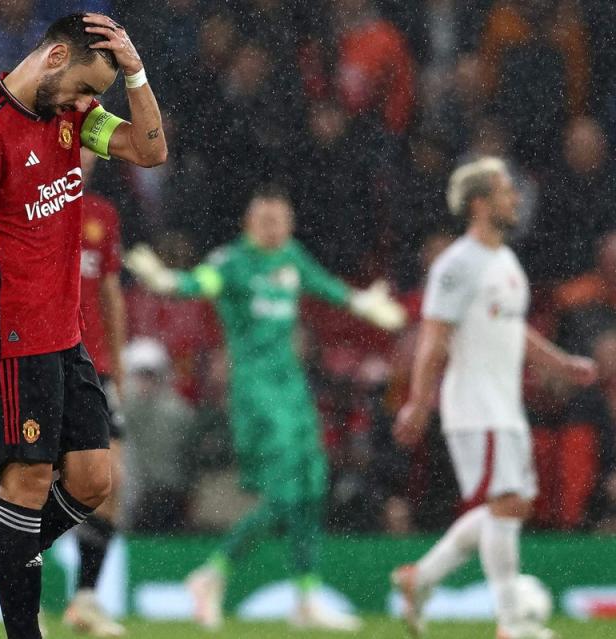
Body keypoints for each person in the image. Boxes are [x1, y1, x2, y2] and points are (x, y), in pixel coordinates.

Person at [0, 13, 166, 639]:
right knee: (26, 482)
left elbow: (151, 149)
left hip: (67, 335)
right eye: (85, 87)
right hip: (12, 338)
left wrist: (134, 72)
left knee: (92, 481)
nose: (87, 105)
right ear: (54, 57)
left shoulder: (73, 116)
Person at [124, 185, 406, 632]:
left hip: (292, 389)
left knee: (313, 487)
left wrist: (363, 303)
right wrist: (168, 282)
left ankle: (305, 597)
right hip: (255, 394)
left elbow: (328, 288)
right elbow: (202, 283)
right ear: (249, 224)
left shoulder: (291, 258)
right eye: (265, 221)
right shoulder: (233, 262)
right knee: (285, 495)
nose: (274, 229)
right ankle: (213, 571)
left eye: (281, 221)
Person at [391, 157, 598, 639]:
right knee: (506, 504)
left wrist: (560, 363)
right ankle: (512, 621)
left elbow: (512, 328)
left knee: (512, 506)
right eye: (507, 192)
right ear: (480, 204)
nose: (516, 199)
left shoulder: (504, 260)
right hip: (474, 406)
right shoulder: (456, 264)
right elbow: (433, 336)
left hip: (504, 406)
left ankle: (419, 579)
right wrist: (420, 402)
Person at [61, 147, 127, 636]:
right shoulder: (30, 205)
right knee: (34, 480)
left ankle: (85, 597)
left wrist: (119, 364)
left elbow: (109, 291)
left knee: (111, 483)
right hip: (47, 362)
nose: (85, 154)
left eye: (90, 146)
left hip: (97, 368)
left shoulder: (103, 214)